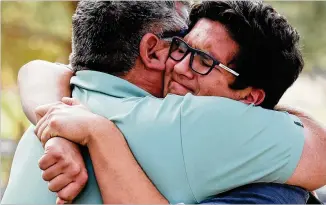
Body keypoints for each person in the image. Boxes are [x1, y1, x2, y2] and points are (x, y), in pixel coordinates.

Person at [3, 1, 326, 204]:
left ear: (251, 97)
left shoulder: (64, 106)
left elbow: (44, 70)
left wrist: (69, 131)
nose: (180, 66)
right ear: (153, 50)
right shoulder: (188, 122)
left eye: (203, 60)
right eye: (182, 48)